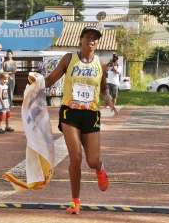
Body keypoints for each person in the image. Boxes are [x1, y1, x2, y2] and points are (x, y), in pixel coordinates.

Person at [44, 25, 117, 215]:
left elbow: (103, 88)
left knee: (92, 161)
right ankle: (76, 201)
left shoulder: (99, 65)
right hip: (70, 113)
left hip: (91, 114)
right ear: (81, 40)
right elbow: (50, 80)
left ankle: (100, 168)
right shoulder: (69, 59)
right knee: (75, 157)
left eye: (95, 38)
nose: (92, 41)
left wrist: (108, 98)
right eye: (88, 37)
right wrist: (34, 83)